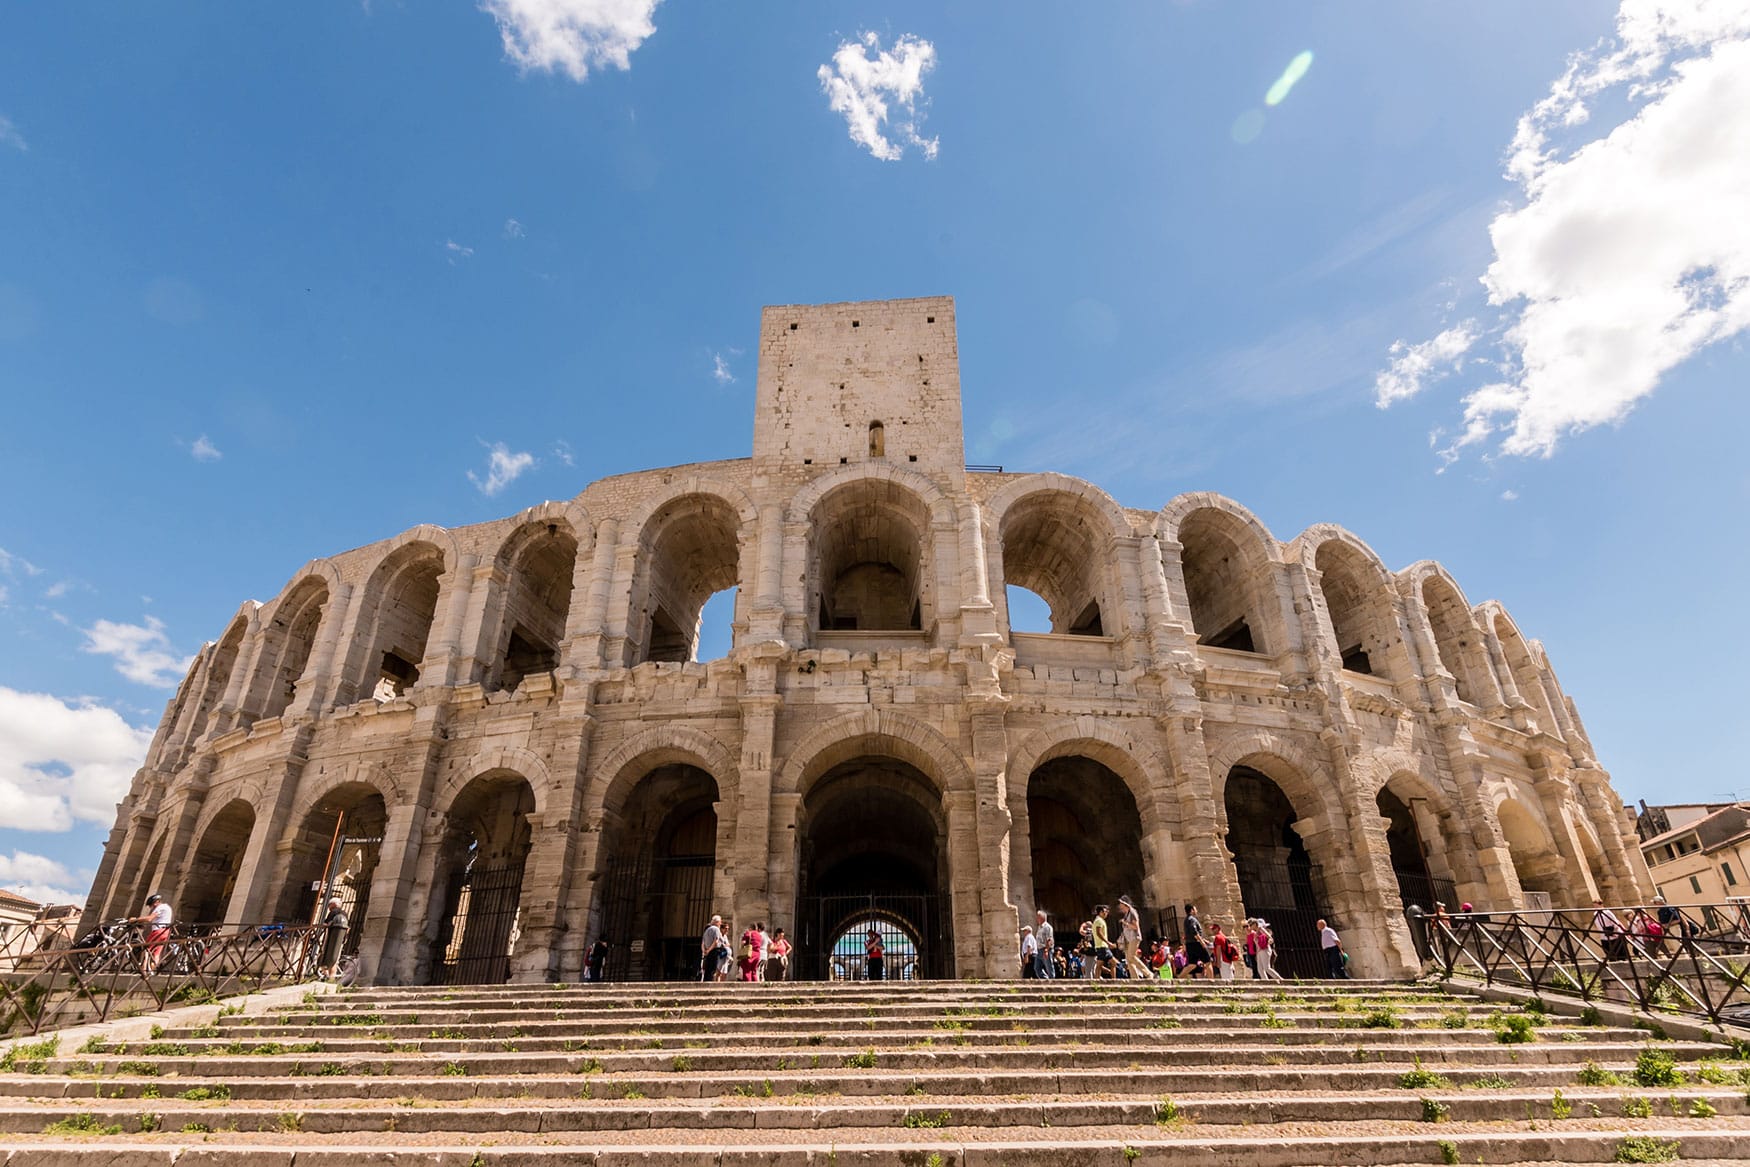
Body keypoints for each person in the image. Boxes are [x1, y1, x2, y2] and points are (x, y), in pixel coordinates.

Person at [131, 892, 173, 974]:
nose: (151, 907)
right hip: (166, 931)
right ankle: (153, 970)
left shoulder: (160, 907)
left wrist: (135, 919)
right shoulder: (167, 907)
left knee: (146, 949)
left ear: (157, 902)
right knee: (156, 953)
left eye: (151, 905)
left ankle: (143, 970)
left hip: (158, 931)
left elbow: (150, 918)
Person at [1116, 896, 1150, 980]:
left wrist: (1125, 923)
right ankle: (1134, 978)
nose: (1120, 906)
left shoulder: (1132, 913)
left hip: (1134, 937)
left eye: (1121, 903)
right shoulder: (1126, 914)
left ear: (1125, 904)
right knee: (1128, 959)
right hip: (1128, 939)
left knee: (1131, 956)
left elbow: (1135, 927)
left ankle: (1148, 973)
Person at [317, 896, 349, 979]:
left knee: (328, 956)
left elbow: (326, 924)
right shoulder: (344, 913)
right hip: (341, 938)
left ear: (333, 904)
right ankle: (330, 976)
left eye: (329, 905)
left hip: (331, 937)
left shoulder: (333, 912)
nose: (328, 907)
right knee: (335, 958)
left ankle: (330, 977)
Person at [1182, 904, 1211, 979]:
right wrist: (1202, 942)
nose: (1196, 910)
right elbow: (1194, 932)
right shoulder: (1192, 919)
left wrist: (1203, 940)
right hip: (1197, 944)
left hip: (1190, 944)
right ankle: (1213, 981)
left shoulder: (1186, 920)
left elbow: (1189, 934)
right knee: (1208, 962)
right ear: (1192, 910)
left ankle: (1179, 977)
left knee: (1192, 964)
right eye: (1195, 909)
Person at [1090, 905, 1117, 979]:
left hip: (1100, 946)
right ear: (1101, 912)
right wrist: (1108, 942)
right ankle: (1114, 980)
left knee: (1099, 965)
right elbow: (1099, 933)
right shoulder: (1099, 921)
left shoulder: (1097, 920)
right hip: (1102, 946)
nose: (1106, 913)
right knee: (1113, 963)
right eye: (1105, 912)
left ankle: (1096, 980)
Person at [700, 914, 729, 982]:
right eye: (720, 922)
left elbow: (703, 942)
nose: (720, 923)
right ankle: (710, 983)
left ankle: (706, 982)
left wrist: (705, 951)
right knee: (712, 969)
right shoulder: (716, 929)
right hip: (714, 950)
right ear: (717, 922)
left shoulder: (707, 929)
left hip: (707, 951)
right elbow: (716, 941)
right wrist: (710, 949)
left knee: (707, 969)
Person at [1034, 910, 1055, 980]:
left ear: (1042, 918)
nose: (1036, 919)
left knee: (1049, 966)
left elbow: (1049, 939)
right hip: (1039, 950)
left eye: (1038, 917)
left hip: (1045, 949)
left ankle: (1052, 981)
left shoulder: (1047, 927)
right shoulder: (1039, 927)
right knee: (1037, 968)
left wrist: (1046, 950)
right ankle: (1045, 979)